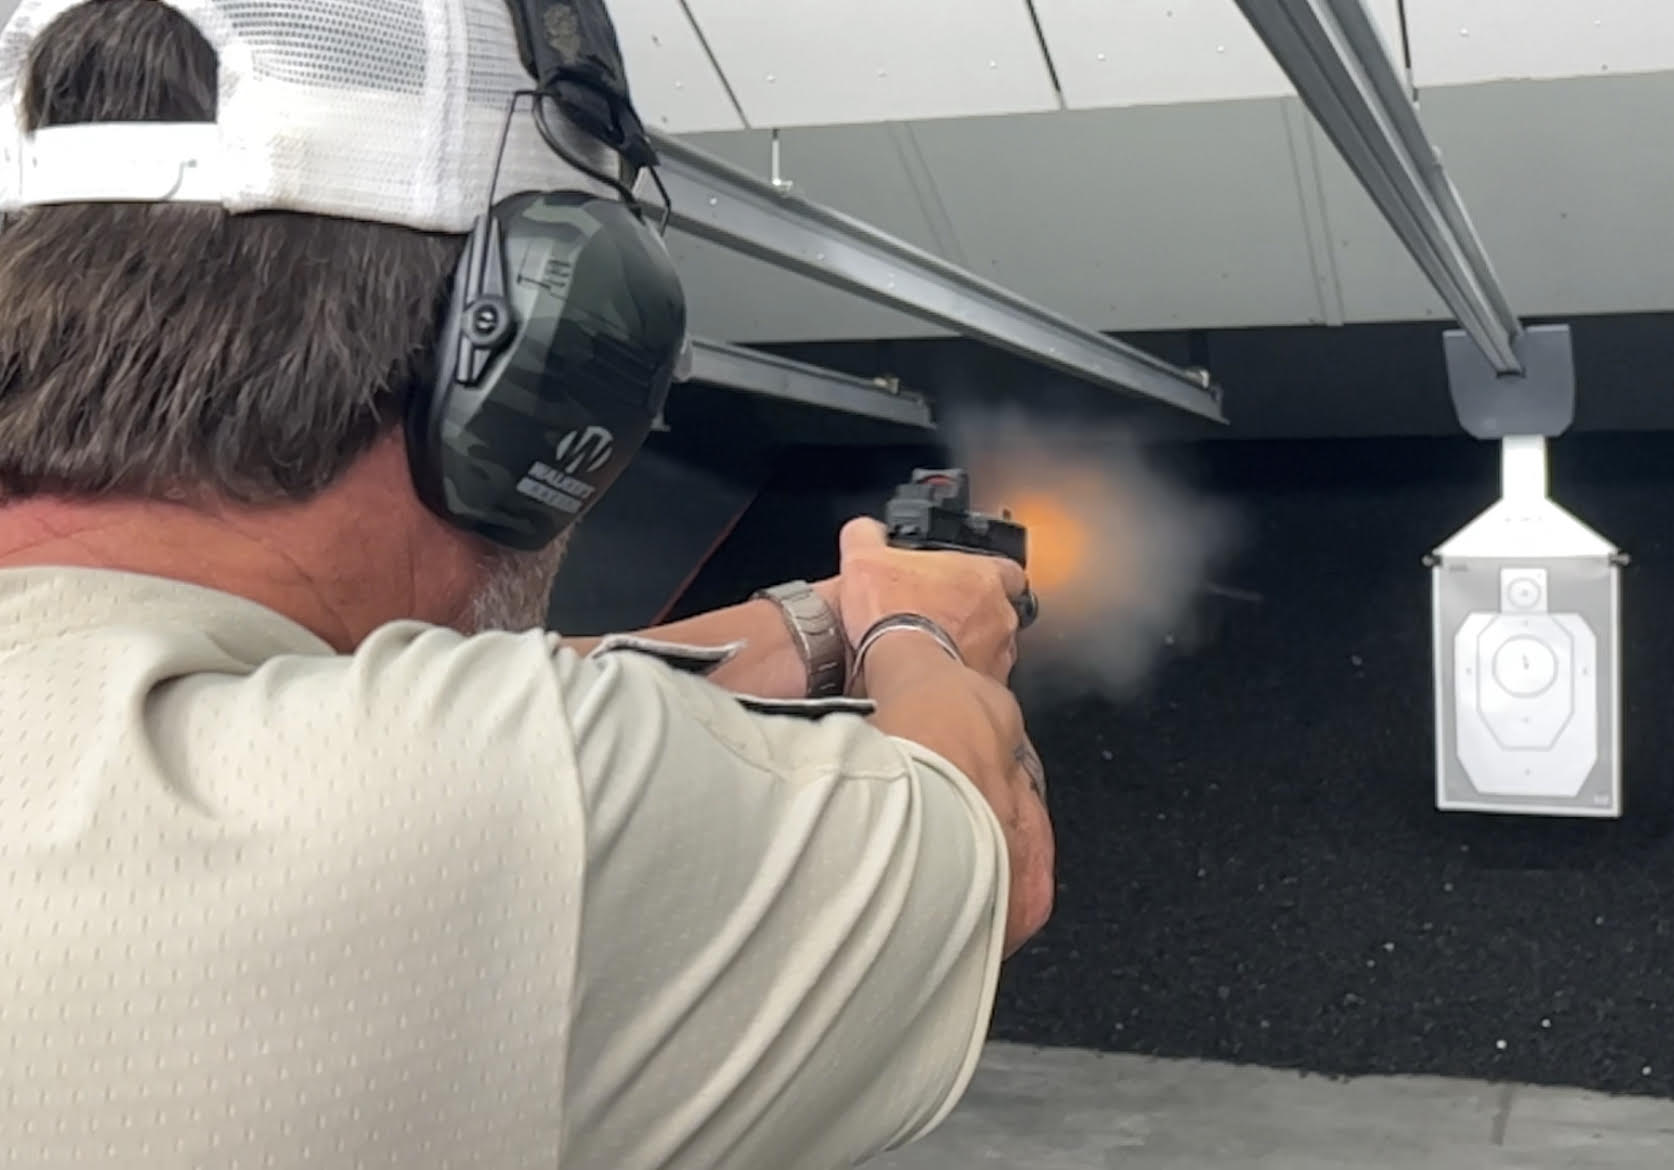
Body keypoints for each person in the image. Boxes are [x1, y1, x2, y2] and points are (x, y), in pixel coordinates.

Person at [0, 0, 1055, 1167]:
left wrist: (814, 624)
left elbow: (381, 712)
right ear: (531, 382)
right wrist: (925, 627)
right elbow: (979, 853)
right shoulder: (476, 803)